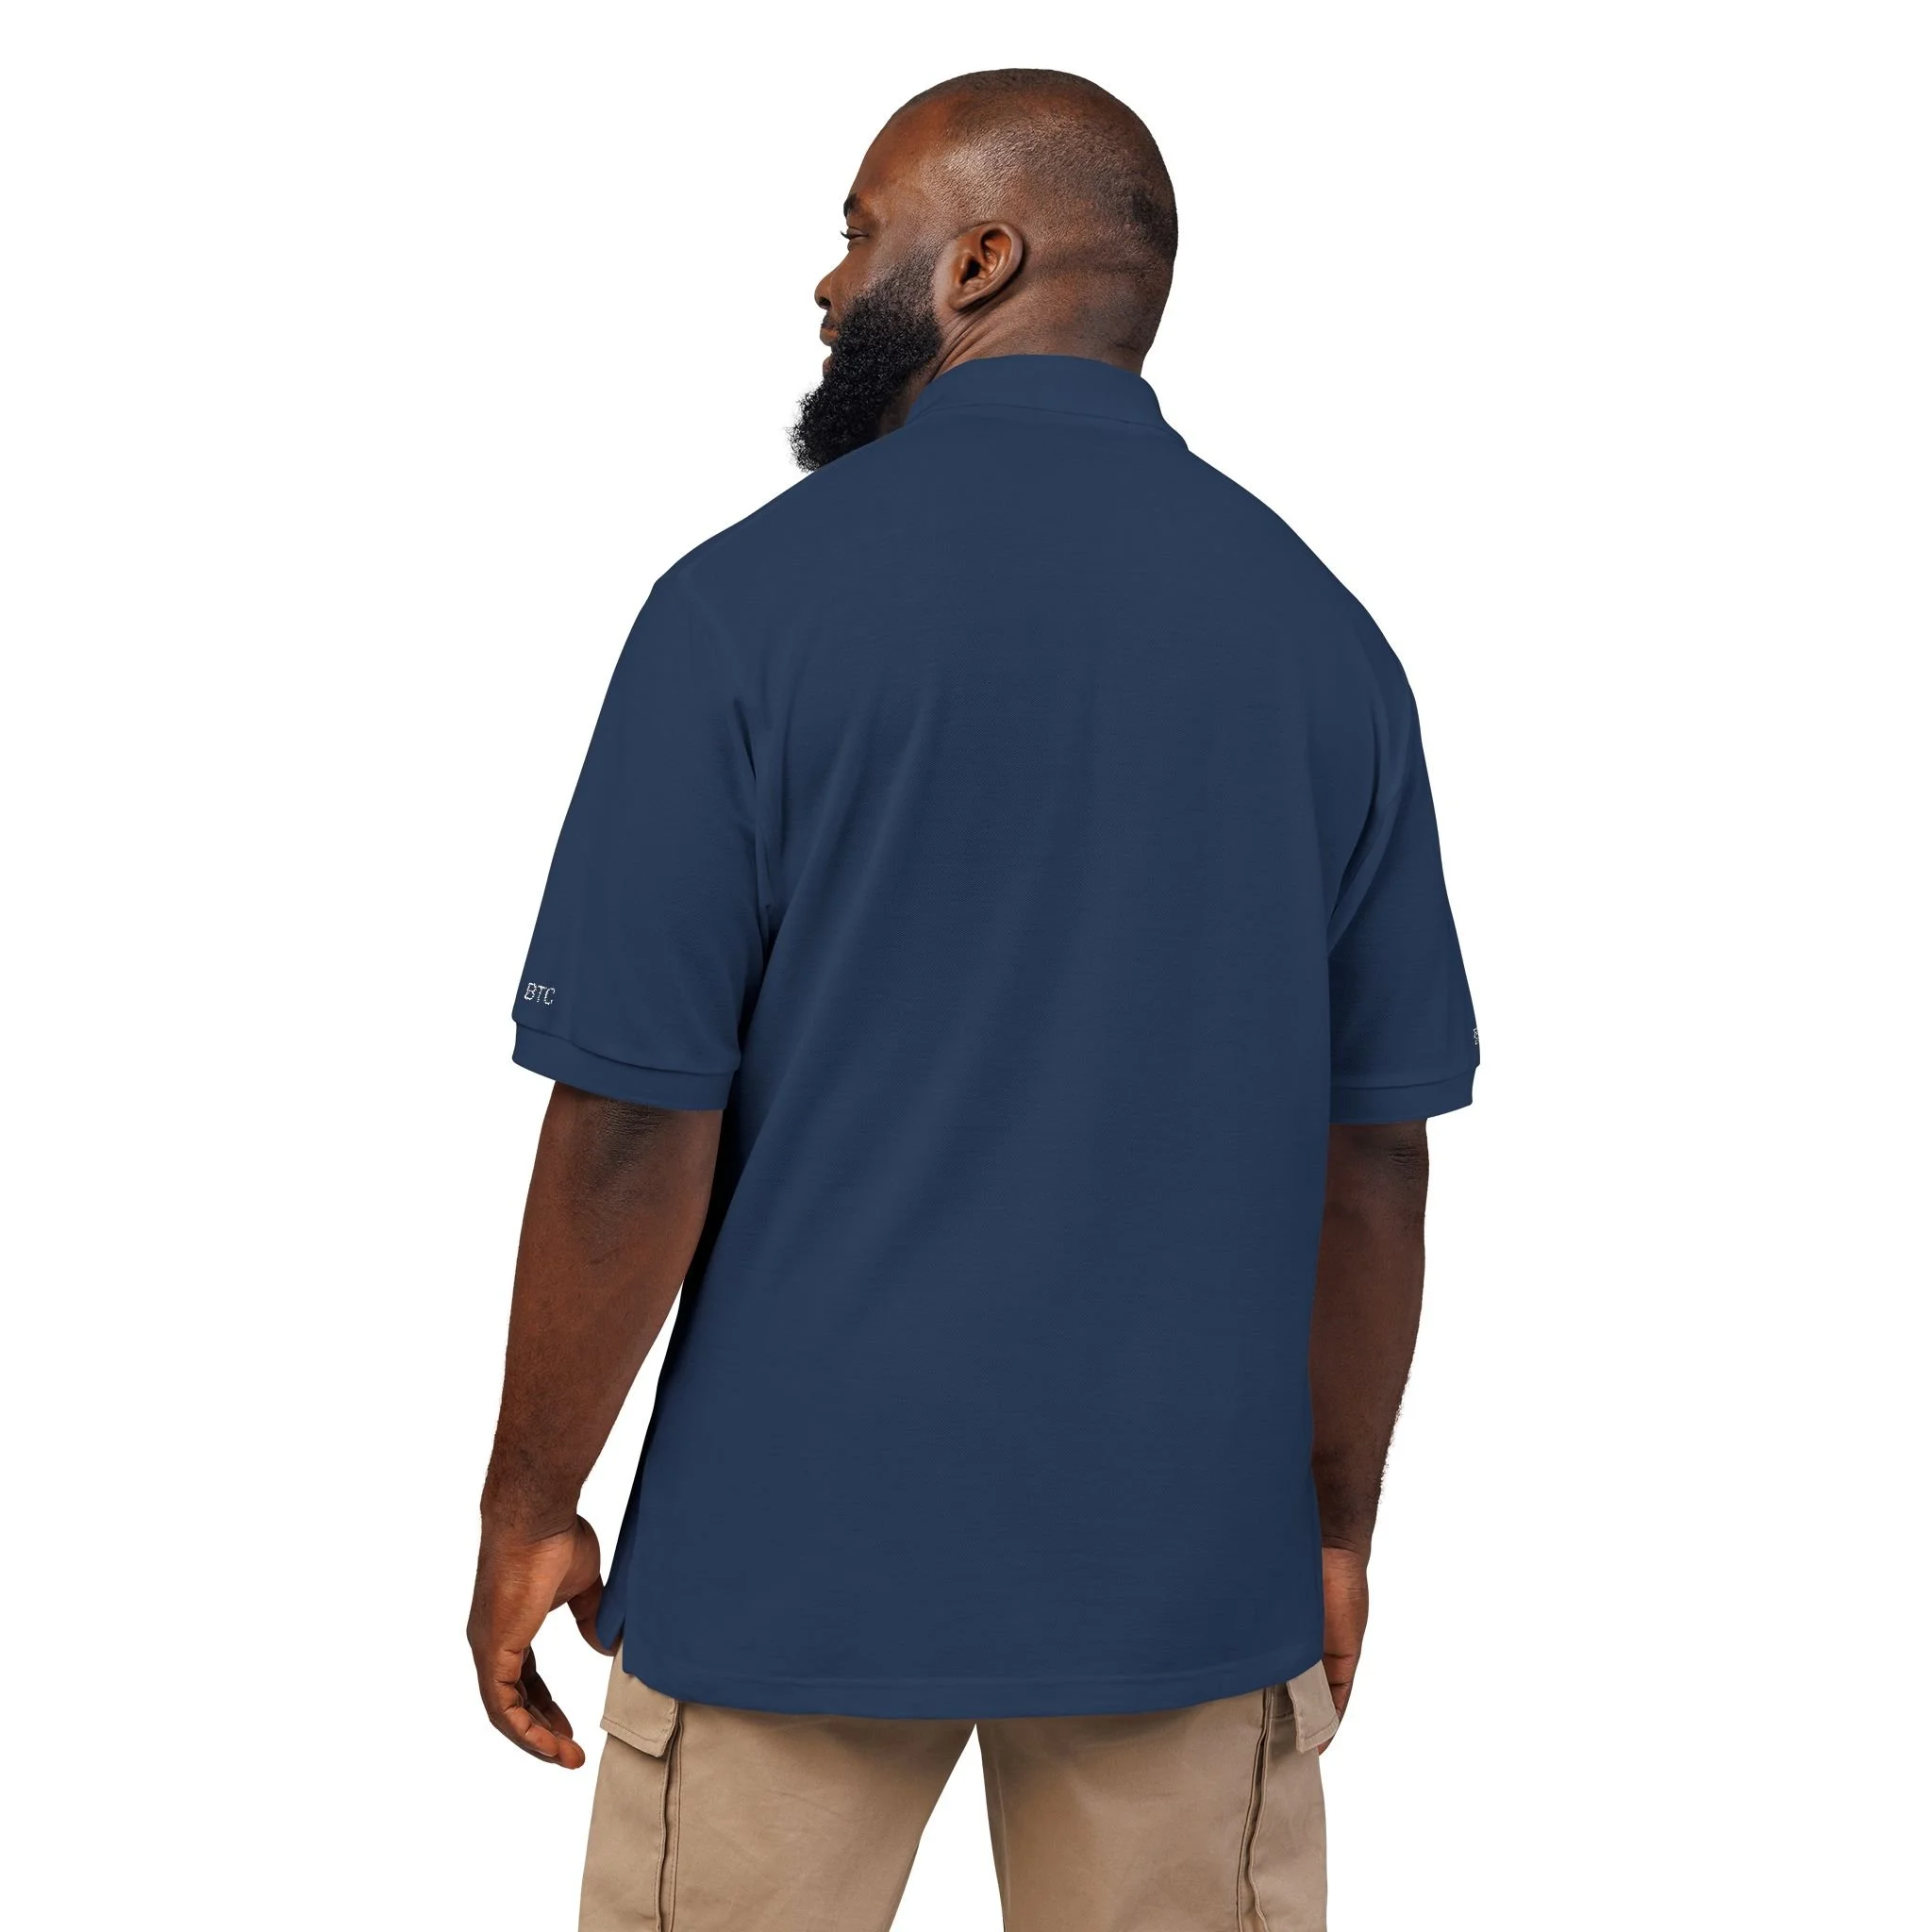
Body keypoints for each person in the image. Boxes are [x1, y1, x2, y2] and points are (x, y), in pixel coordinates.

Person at [470, 67, 1477, 1932]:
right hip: (1186, 1582)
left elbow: (627, 1126)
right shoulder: (1322, 642)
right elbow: (1375, 1158)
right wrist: (1332, 1522)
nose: (826, 282)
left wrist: (528, 1500)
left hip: (785, 1568)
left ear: (979, 262)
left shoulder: (740, 616)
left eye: (861, 235)